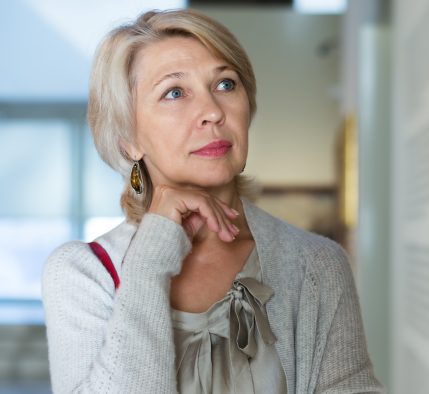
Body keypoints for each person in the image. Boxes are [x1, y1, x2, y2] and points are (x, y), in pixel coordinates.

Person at [41, 9, 383, 394]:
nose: (213, 112)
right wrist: (151, 257)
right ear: (128, 140)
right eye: (174, 92)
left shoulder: (318, 264)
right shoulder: (81, 274)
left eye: (225, 84)